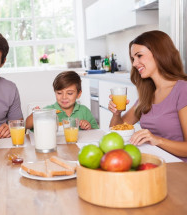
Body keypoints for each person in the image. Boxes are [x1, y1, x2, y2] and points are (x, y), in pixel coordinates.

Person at [108, 30, 187, 159]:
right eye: (133, 58)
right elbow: (116, 131)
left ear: (158, 53)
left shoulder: (183, 90)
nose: (134, 63)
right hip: (153, 163)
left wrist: (157, 140)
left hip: (178, 169)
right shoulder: (148, 94)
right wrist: (116, 113)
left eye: (139, 56)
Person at [26, 71, 99, 130]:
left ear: (78, 94)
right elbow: (26, 126)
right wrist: (35, 115)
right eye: (59, 93)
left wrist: (88, 127)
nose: (64, 97)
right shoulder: (48, 111)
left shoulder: (84, 111)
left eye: (69, 93)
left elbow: (96, 131)